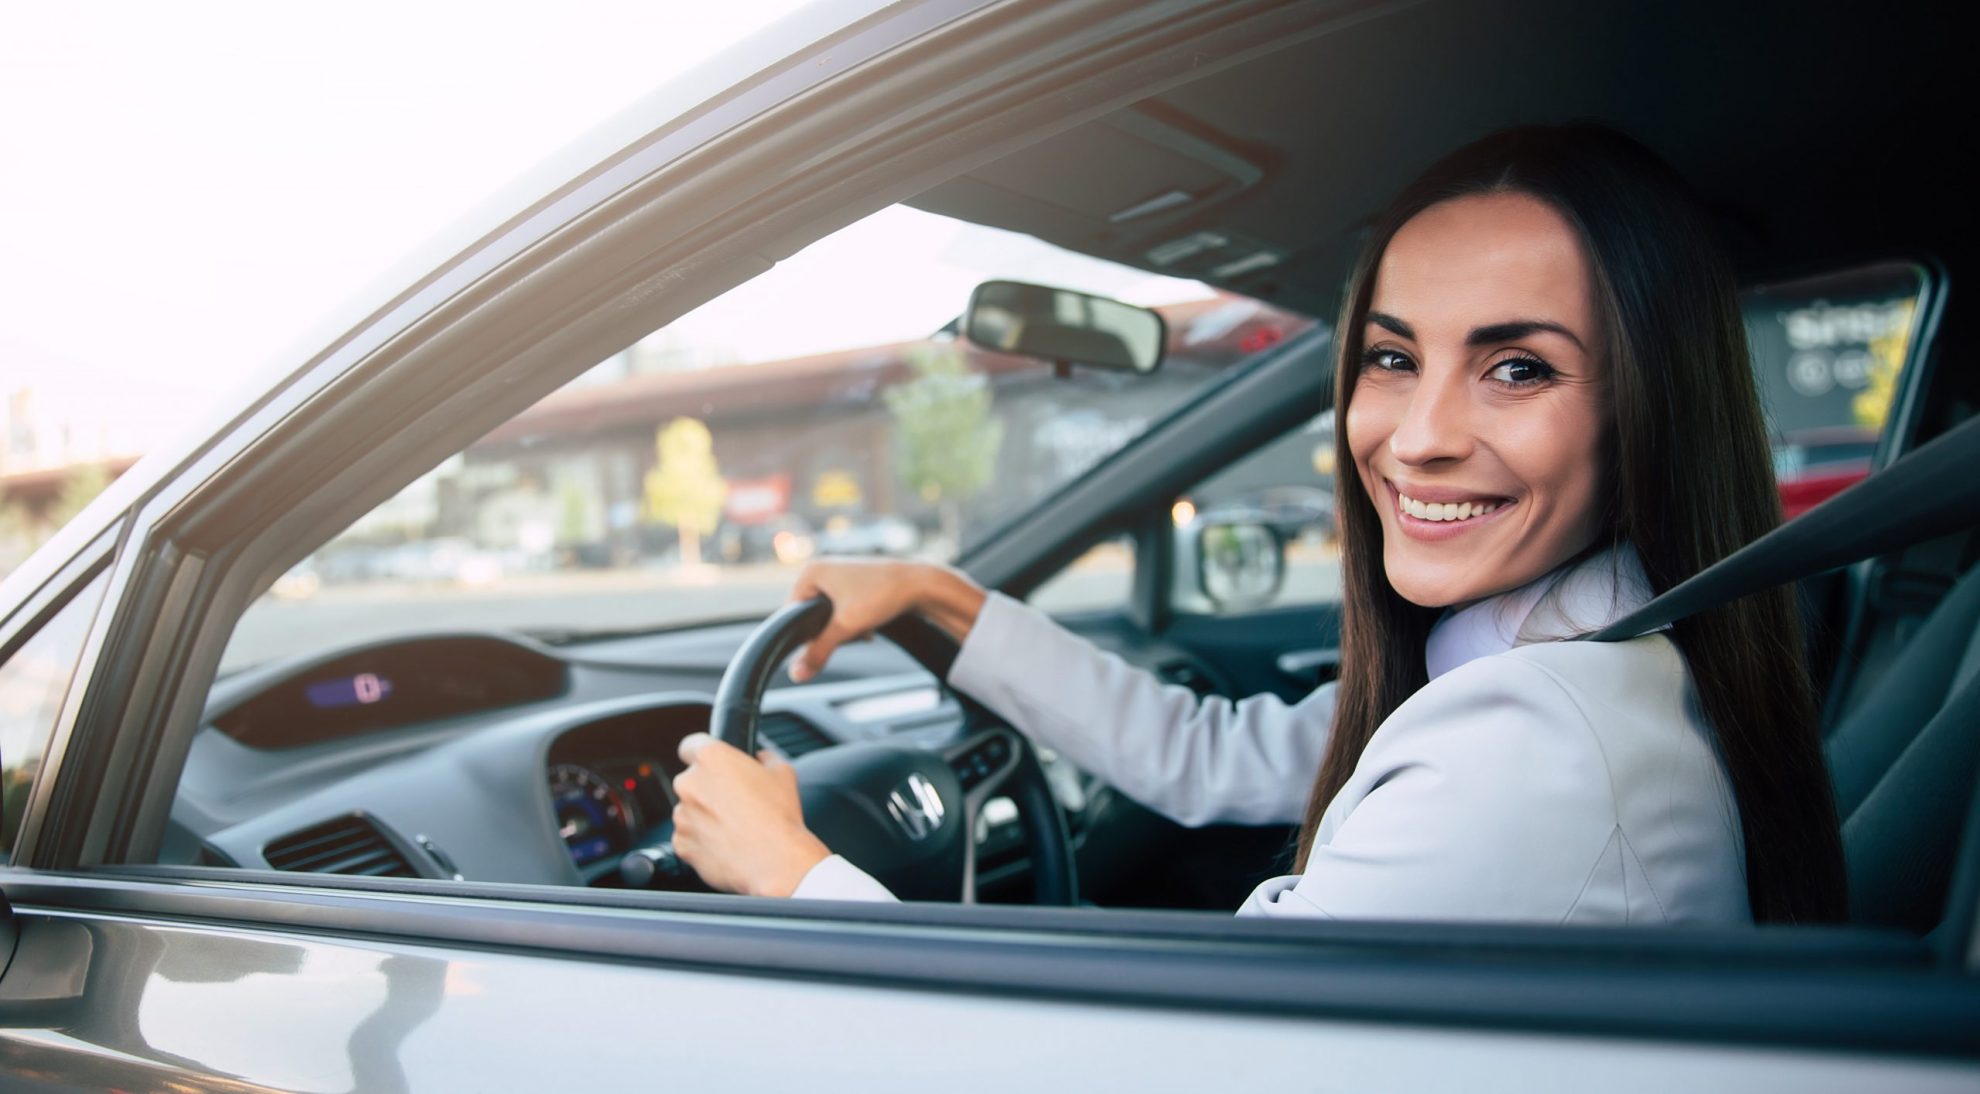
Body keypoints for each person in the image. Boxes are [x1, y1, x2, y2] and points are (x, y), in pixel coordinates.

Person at [667, 124, 1849, 925]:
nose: (1418, 433)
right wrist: (940, 595)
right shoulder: (1573, 645)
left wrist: (795, 876)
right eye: (1392, 356)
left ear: (1653, 407)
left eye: (1519, 369)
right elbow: (1209, 750)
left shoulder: (1532, 752)